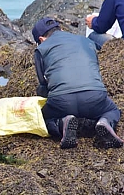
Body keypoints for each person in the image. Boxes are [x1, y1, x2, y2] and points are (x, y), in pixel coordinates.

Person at [32, 17, 123, 149]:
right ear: (60, 29)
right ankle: (104, 121)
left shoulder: (41, 49)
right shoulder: (86, 41)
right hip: (94, 96)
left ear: (40, 39)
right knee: (112, 110)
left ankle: (62, 123)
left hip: (62, 101)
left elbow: (43, 84)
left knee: (42, 120)